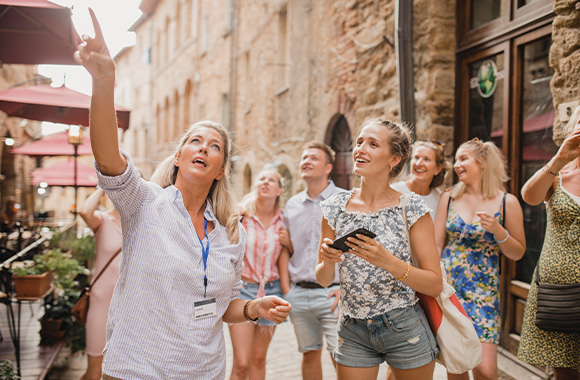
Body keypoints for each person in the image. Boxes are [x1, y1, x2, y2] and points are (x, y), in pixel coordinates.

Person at [74, 9, 291, 379]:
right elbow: (109, 158)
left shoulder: (228, 233)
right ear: (178, 157)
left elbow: (225, 307)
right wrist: (104, 81)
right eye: (195, 141)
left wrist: (255, 308)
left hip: (203, 371)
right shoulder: (144, 204)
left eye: (214, 146)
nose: (203, 148)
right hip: (136, 369)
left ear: (221, 169)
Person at [316, 118, 442, 380]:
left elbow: (434, 284)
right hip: (353, 329)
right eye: (360, 142)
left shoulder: (412, 208)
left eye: (373, 144)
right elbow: (323, 278)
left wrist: (388, 261)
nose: (360, 149)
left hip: (405, 327)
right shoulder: (335, 206)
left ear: (393, 159)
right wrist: (328, 260)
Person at [434, 138, 526, 380]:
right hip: (450, 293)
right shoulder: (449, 197)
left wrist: (499, 231)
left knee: (485, 371)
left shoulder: (507, 202)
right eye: (456, 160)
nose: (456, 165)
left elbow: (517, 252)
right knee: (457, 367)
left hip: (483, 294)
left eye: (463, 159)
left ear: (484, 162)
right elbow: (436, 245)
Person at [517, 106, 580, 380]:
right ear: (570, 129)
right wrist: (558, 160)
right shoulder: (558, 175)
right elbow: (529, 196)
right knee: (564, 371)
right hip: (557, 293)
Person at [280, 141, 342, 380]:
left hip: (333, 295)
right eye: (304, 158)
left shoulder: (345, 200)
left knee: (343, 357)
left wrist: (345, 289)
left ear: (328, 168)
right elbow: (287, 249)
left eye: (313, 158)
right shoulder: (292, 204)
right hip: (300, 295)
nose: (306, 161)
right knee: (309, 354)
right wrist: (288, 291)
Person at [229, 168, 289, 380]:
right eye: (261, 178)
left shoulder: (284, 222)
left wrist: (288, 242)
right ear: (255, 185)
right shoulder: (241, 215)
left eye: (271, 180)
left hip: (272, 292)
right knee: (242, 362)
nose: (265, 182)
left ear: (280, 190)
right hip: (244, 291)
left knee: (258, 359)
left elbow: (290, 254)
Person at [78, 187, 121, 380]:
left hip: (129, 305)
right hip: (101, 302)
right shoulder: (103, 220)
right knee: (94, 372)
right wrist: (103, 185)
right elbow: (84, 211)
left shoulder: (142, 224)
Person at [391, 140, 451, 221]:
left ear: (438, 169)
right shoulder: (394, 191)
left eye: (426, 159)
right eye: (416, 158)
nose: (419, 163)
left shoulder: (439, 199)